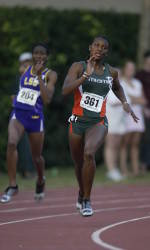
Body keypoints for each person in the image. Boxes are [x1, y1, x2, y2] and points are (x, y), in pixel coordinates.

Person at [62, 35, 138, 216]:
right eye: (96, 45)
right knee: (78, 162)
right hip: (77, 121)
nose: (99, 49)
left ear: (106, 52)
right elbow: (65, 90)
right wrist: (85, 76)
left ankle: (87, 200)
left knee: (89, 154)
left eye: (103, 47)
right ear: (90, 48)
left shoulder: (111, 72)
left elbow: (118, 87)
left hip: (98, 121)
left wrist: (125, 102)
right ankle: (81, 193)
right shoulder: (78, 67)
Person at [1, 43, 57, 203]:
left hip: (35, 118)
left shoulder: (50, 74)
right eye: (36, 53)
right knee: (11, 143)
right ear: (32, 55)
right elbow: (18, 87)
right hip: (18, 114)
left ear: (47, 56)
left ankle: (40, 180)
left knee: (37, 157)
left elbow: (47, 99)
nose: (39, 56)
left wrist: (39, 76)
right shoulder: (24, 69)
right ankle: (12, 186)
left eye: (42, 54)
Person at [120, 61, 147, 176]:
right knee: (125, 143)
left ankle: (135, 170)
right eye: (129, 68)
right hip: (126, 115)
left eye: (133, 69)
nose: (131, 71)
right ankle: (124, 169)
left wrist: (132, 98)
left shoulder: (137, 83)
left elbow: (144, 100)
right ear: (124, 69)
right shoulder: (120, 83)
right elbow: (123, 98)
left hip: (138, 115)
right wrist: (136, 99)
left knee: (135, 143)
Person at [12, 52, 35, 178]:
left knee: (34, 143)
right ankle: (25, 171)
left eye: (29, 61)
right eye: (25, 62)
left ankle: (32, 170)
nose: (27, 64)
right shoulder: (18, 79)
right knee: (23, 144)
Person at [104, 87, 126, 182]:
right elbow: (113, 102)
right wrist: (124, 102)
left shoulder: (121, 89)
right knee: (110, 145)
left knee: (116, 146)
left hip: (120, 121)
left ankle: (115, 169)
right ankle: (111, 170)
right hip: (110, 120)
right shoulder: (106, 89)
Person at [136, 51, 150, 171]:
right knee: (145, 138)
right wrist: (144, 108)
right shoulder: (139, 75)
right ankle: (144, 164)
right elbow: (137, 93)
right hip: (144, 110)